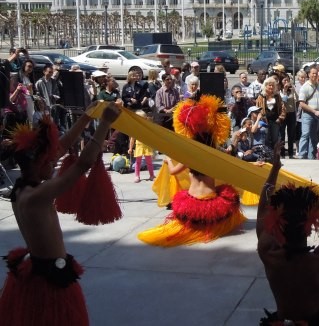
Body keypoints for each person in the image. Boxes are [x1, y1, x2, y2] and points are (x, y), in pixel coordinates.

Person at [0, 103, 121, 325]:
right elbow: (83, 163)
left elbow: (61, 147)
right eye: (51, 161)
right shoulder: (38, 195)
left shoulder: (21, 188)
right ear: (39, 162)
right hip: (49, 282)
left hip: (34, 269)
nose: (55, 162)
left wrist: (85, 118)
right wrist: (105, 123)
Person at [256, 144, 319, 325]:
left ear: (277, 222)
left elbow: (262, 211)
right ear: (311, 225)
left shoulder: (268, 252)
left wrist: (275, 169)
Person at [138, 94, 246, 247]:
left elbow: (174, 171)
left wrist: (168, 161)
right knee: (231, 195)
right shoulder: (215, 157)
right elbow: (234, 167)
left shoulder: (188, 157)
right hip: (211, 205)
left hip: (191, 205)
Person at [298, 67, 319, 160]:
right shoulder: (305, 87)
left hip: (317, 115)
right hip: (307, 114)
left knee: (314, 136)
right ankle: (302, 155)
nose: (314, 75)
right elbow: (301, 103)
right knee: (305, 134)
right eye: (313, 73)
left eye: (316, 73)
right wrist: (314, 111)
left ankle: (311, 156)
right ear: (308, 75)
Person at [255, 77, 286, 149]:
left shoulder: (277, 96)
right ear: (265, 86)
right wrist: (261, 118)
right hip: (265, 121)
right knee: (266, 139)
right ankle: (267, 155)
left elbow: (283, 108)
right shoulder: (261, 96)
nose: (271, 87)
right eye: (269, 85)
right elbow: (257, 109)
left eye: (273, 85)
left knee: (275, 139)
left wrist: (280, 118)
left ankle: (275, 155)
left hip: (275, 121)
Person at [128, 110, 156, 183]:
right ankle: (137, 176)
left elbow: (152, 137)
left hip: (147, 146)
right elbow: (132, 139)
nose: (142, 120)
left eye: (144, 118)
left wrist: (153, 149)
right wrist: (130, 148)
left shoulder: (147, 126)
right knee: (138, 162)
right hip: (139, 146)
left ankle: (152, 175)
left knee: (149, 162)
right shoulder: (135, 127)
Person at [279, 75, 298, 159]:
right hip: (283, 114)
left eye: (287, 80)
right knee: (282, 134)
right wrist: (285, 91)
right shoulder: (280, 91)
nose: (286, 82)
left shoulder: (292, 90)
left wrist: (294, 91)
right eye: (284, 81)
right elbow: (284, 100)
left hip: (292, 113)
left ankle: (290, 153)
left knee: (291, 134)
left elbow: (297, 99)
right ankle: (282, 153)